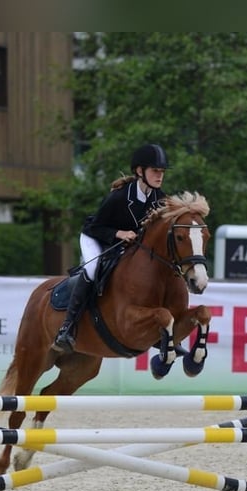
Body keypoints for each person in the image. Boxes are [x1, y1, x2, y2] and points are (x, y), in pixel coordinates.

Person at [52, 143, 169, 353]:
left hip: (127, 246)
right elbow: (95, 226)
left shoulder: (159, 198)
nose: (159, 176)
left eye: (161, 172)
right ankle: (66, 328)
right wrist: (120, 233)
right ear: (140, 171)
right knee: (91, 269)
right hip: (97, 237)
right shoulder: (120, 197)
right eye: (155, 171)